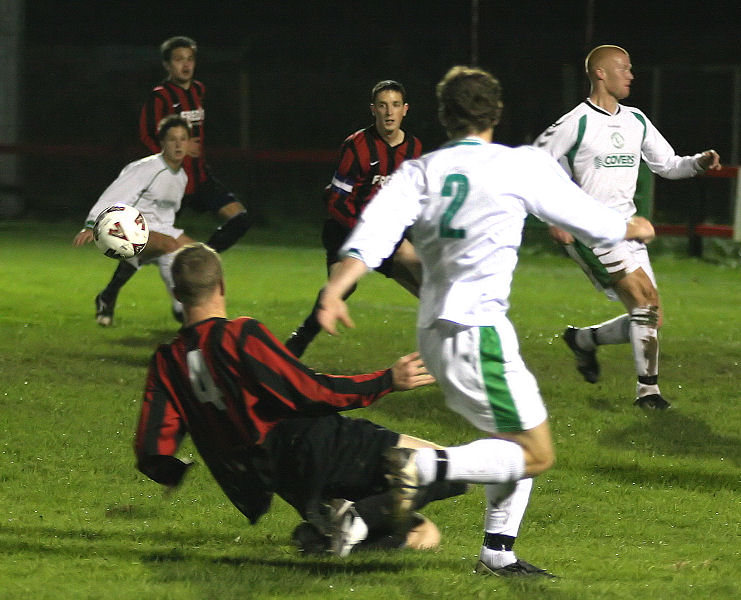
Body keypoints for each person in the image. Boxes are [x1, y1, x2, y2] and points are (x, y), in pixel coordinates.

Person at [316, 66, 656, 577]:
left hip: (434, 332)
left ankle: (497, 552)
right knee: (536, 453)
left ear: (443, 116)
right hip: (477, 332)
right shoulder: (517, 166)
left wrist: (336, 290)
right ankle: (423, 468)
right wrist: (629, 225)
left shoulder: (419, 170)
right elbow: (584, 216)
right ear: (495, 113)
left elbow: (370, 236)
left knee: (513, 435)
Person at [134, 243, 466, 557]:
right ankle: (358, 518)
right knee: (452, 468)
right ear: (221, 285)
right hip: (314, 444)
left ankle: (329, 538)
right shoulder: (238, 336)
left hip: (279, 478)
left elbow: (153, 447)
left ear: (177, 294)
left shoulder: (167, 361)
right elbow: (311, 392)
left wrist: (170, 471)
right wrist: (386, 380)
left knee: (424, 535)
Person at [534, 45, 721, 409]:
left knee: (651, 316)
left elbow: (667, 164)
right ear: (600, 73)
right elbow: (531, 165)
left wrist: (698, 163)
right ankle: (647, 392)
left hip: (627, 229)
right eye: (624, 68)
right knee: (643, 300)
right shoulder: (575, 122)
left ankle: (584, 340)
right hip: (590, 230)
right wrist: (553, 218)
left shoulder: (636, 119)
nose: (631, 75)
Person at [96, 36, 252, 326]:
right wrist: (171, 157)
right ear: (167, 64)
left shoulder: (199, 91)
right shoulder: (160, 97)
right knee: (144, 246)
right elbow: (146, 135)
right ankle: (109, 294)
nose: (186, 65)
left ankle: (197, 262)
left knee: (240, 219)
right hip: (172, 183)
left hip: (200, 178)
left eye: (190, 59)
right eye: (179, 59)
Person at [284, 80, 423, 358]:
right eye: (382, 106)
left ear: (405, 110)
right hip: (345, 231)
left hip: (387, 235)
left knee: (428, 281)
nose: (389, 112)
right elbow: (335, 201)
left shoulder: (414, 149)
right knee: (342, 287)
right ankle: (295, 345)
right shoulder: (356, 146)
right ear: (373, 110)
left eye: (395, 105)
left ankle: (458, 349)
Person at [73, 115, 197, 324]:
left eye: (182, 139)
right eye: (172, 139)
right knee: (169, 246)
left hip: (159, 229)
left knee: (200, 255)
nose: (177, 144)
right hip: (121, 225)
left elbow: (167, 214)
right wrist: (91, 225)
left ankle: (107, 296)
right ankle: (180, 309)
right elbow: (113, 195)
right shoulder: (146, 168)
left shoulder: (182, 176)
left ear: (189, 143)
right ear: (162, 143)